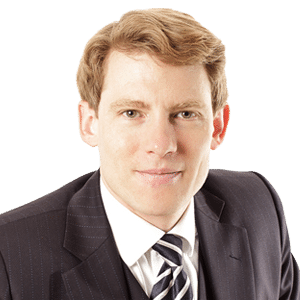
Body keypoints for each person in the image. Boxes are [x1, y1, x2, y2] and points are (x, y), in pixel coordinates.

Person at [0, 8, 299, 300]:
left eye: (185, 113)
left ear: (218, 127)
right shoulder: (9, 256)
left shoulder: (260, 209)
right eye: (132, 113)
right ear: (89, 123)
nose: (161, 144)